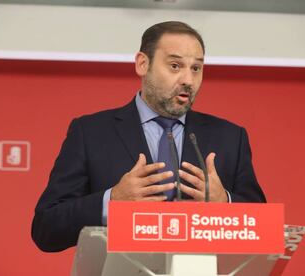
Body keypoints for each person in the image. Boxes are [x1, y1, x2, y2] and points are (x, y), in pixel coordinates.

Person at [31, 21, 266, 252]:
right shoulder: (90, 132)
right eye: (175, 66)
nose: (188, 80)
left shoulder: (230, 138)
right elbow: (46, 228)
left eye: (196, 68)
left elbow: (265, 230)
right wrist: (112, 201)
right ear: (143, 64)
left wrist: (225, 204)